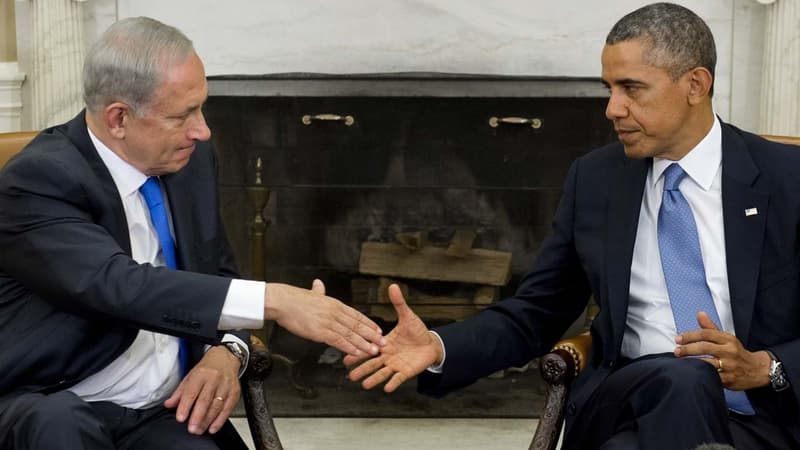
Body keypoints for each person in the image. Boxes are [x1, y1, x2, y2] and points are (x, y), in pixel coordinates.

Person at [347, 3, 800, 449]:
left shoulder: (787, 179)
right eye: (608, 88)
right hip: (627, 399)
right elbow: (537, 312)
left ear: (695, 85)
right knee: (686, 374)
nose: (612, 108)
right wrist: (439, 346)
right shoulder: (597, 179)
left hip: (760, 415)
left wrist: (768, 366)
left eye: (631, 88)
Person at [0, 17, 384, 450]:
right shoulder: (39, 179)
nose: (203, 130)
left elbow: (216, 280)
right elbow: (117, 285)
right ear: (119, 118)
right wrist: (275, 300)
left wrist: (227, 353)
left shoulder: (191, 162)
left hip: (160, 411)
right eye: (182, 115)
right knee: (60, 428)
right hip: (52, 399)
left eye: (201, 107)